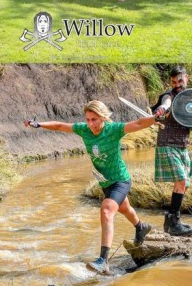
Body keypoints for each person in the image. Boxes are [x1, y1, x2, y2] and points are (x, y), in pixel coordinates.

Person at [23, 101, 159, 275]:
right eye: (87, 119)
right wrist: (38, 124)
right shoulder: (84, 129)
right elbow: (59, 125)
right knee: (125, 208)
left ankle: (103, 260)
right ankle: (141, 227)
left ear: (103, 118)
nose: (90, 124)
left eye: (94, 119)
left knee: (106, 211)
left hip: (120, 180)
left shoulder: (113, 129)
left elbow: (139, 123)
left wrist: (155, 118)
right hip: (105, 183)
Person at [151, 66, 192, 236]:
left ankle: (171, 220)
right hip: (168, 143)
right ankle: (174, 222)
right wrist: (162, 110)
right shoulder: (168, 96)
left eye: (180, 81)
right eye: (173, 82)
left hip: (183, 145)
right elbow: (166, 104)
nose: (177, 85)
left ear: (187, 78)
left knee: (184, 185)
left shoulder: (191, 99)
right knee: (181, 181)